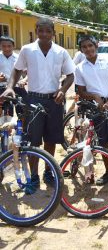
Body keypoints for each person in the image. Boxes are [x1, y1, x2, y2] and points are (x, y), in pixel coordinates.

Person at [0, 18, 75, 189]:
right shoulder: (27, 50)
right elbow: (17, 70)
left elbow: (70, 75)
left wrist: (63, 90)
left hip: (54, 100)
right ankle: (33, 177)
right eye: (41, 31)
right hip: (32, 100)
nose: (44, 34)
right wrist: (10, 87)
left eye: (48, 31)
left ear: (53, 33)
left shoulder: (61, 52)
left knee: (51, 139)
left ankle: (48, 172)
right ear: (36, 31)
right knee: (33, 141)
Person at [74, 35, 108, 186]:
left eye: (90, 45)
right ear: (81, 50)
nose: (88, 49)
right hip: (96, 108)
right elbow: (81, 91)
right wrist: (95, 96)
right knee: (103, 142)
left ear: (96, 45)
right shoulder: (80, 68)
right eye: (84, 47)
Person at [0, 36, 28, 115]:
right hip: (2, 88)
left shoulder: (19, 58)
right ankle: (6, 126)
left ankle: (22, 126)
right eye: (3, 46)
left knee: (24, 110)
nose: (6, 49)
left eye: (9, 46)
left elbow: (28, 73)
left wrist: (24, 80)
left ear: (13, 46)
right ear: (0, 46)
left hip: (18, 88)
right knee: (6, 113)